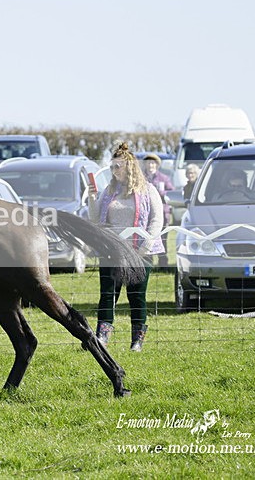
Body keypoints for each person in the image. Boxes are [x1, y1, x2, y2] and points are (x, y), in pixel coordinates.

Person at [89, 143, 164, 352]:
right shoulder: (109, 191)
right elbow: (95, 219)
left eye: (118, 166)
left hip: (139, 253)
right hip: (111, 253)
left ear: (130, 167)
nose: (114, 171)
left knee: (136, 296)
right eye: (112, 166)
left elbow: (157, 220)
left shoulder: (148, 190)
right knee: (107, 295)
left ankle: (137, 341)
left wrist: (144, 247)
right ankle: (102, 338)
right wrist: (92, 198)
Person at [141, 153, 173, 269]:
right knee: (145, 238)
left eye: (153, 163)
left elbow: (171, 193)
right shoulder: (141, 177)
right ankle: (147, 264)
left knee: (163, 239)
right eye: (148, 162)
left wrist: (160, 193)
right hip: (145, 215)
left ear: (157, 165)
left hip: (162, 214)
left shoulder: (164, 178)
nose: (150, 165)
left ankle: (163, 265)